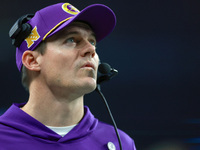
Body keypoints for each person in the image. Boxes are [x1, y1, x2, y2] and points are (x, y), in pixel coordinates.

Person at [0, 2, 136, 150]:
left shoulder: (121, 143)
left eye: (92, 41)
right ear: (32, 60)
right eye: (71, 40)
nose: (91, 49)